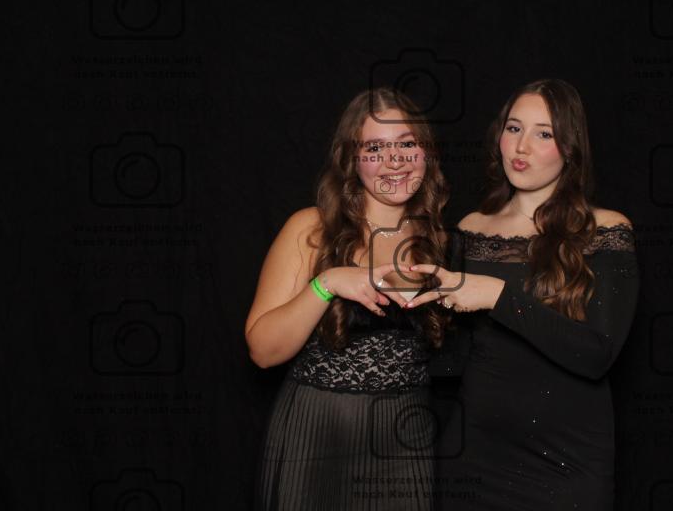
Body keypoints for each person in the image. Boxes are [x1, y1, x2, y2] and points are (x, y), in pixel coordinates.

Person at [407, 79, 640, 510]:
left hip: (567, 462)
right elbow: (454, 360)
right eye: (513, 128)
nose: (521, 146)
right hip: (475, 456)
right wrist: (411, 305)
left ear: (570, 148)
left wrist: (498, 296)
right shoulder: (471, 229)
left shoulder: (606, 230)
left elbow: (597, 355)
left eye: (544, 133)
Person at [246, 87, 452, 510]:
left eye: (406, 144)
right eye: (374, 148)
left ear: (426, 152)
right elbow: (263, 352)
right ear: (351, 160)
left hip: (404, 440)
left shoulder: (440, 240)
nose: (393, 160)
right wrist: (327, 284)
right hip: (316, 435)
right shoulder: (311, 229)